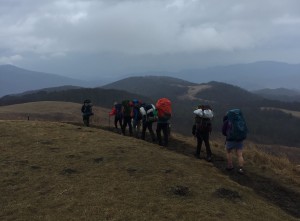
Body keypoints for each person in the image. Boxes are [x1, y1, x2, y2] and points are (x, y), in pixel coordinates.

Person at [222, 109, 248, 174]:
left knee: (229, 152)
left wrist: (227, 135)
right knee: (239, 154)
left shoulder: (227, 121)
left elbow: (223, 131)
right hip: (240, 139)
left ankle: (230, 165)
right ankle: (241, 168)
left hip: (230, 139)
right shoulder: (240, 121)